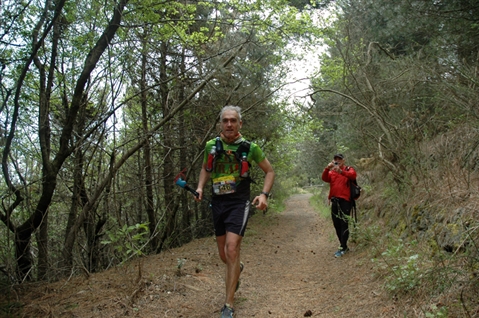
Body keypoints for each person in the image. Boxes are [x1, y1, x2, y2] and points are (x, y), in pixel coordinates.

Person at [195, 105, 275, 318]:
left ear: (240, 123)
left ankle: (228, 305)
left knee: (232, 249)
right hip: (218, 203)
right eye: (225, 121)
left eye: (233, 120)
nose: (229, 124)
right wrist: (201, 187)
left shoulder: (250, 147)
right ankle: (236, 268)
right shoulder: (212, 145)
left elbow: (269, 171)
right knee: (224, 255)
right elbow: (206, 168)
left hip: (239, 203)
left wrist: (264, 194)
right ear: (221, 123)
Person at [321, 153, 357, 258]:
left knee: (344, 223)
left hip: (346, 201)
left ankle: (342, 247)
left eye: (339, 159)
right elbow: (324, 178)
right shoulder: (331, 172)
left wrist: (341, 171)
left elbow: (353, 176)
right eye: (336, 159)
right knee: (336, 223)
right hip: (334, 201)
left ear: (343, 160)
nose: (338, 161)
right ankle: (343, 245)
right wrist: (327, 168)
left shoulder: (349, 169)